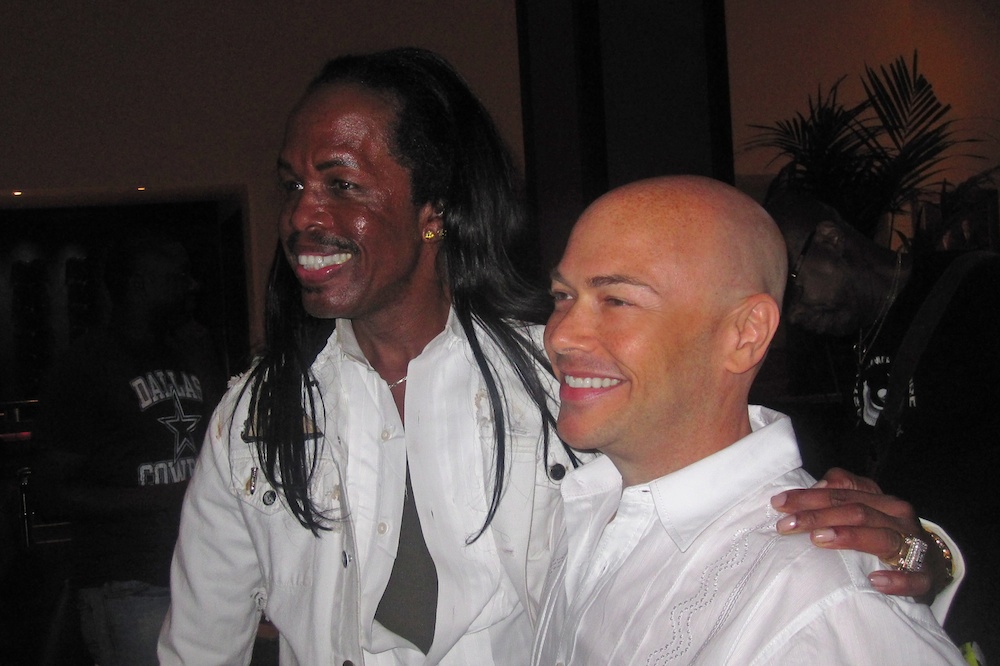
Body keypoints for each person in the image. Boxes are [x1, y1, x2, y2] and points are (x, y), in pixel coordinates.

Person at [160, 48, 952, 666]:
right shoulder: (257, 418)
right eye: (293, 184)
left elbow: (712, 472)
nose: (302, 214)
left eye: (341, 183)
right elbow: (199, 643)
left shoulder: (555, 377)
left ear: (437, 208)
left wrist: (922, 557)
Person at [531, 176, 965, 665]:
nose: (561, 335)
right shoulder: (586, 509)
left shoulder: (820, 602)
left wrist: (934, 557)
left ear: (745, 334)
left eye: (616, 300)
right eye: (562, 297)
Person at [771, 192, 999, 663]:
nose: (792, 314)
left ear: (831, 240)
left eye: (793, 287)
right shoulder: (860, 334)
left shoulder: (977, 288)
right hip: (931, 592)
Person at [34, 231, 220, 666]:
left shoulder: (188, 350)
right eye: (178, 277)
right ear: (139, 285)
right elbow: (50, 492)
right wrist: (162, 496)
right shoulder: (87, 364)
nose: (192, 286)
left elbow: (221, 441)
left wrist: (207, 364)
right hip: (128, 584)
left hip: (201, 576)